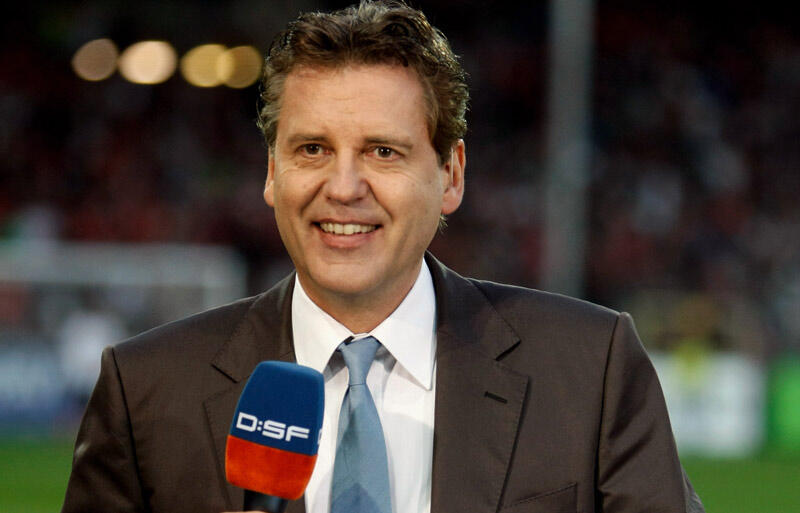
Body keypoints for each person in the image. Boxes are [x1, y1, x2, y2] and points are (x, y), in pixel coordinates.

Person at [61, 1, 705, 512]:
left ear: (451, 175)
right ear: (272, 173)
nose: (343, 187)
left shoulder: (589, 370)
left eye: (383, 152)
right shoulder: (146, 390)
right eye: (312, 149)